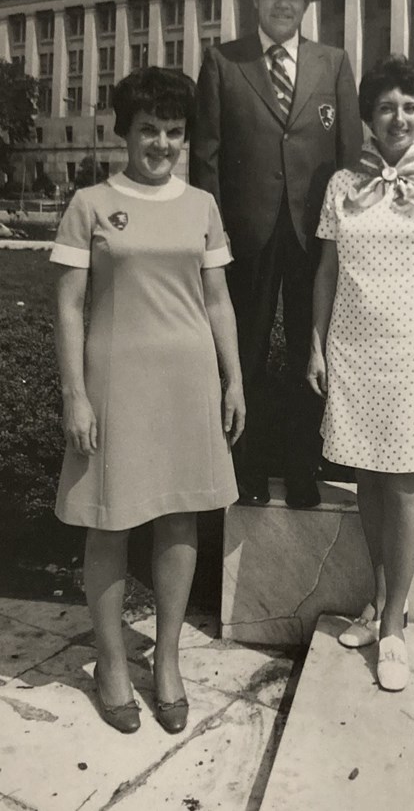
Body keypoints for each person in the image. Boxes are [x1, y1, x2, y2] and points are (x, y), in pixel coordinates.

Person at [51, 67, 244, 735]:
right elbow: (70, 309)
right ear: (123, 133)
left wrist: (234, 379)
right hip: (115, 385)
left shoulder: (201, 206)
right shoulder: (90, 204)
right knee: (110, 521)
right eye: (149, 131)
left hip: (188, 383)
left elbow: (217, 300)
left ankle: (167, 661)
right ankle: (109, 664)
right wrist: (75, 395)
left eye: (174, 132)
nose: (162, 144)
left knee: (181, 519)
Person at [308, 56, 414, 691]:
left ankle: (396, 625)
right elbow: (326, 272)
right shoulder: (341, 184)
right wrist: (317, 345)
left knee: (403, 485)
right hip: (354, 350)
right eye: (385, 107)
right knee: (368, 483)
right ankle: (377, 601)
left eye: (409, 105)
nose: (398, 116)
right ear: (369, 119)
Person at [190, 0, 362, 510]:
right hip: (247, 235)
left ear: (307, 5)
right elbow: (207, 158)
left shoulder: (332, 63)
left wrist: (345, 234)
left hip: (315, 236)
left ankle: (302, 467)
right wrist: (214, 238)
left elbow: (348, 154)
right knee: (249, 353)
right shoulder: (223, 62)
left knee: (309, 355)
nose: (283, 3)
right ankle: (249, 469)